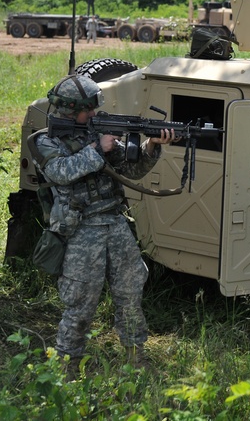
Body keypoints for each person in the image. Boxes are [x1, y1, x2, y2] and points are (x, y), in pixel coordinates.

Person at [34, 74, 176, 371]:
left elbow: (132, 171)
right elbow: (60, 172)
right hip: (81, 228)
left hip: (114, 222)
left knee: (130, 293)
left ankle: (135, 359)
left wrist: (151, 146)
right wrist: (99, 149)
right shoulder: (46, 140)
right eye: (89, 109)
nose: (95, 113)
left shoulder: (94, 131)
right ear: (71, 111)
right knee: (81, 302)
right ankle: (66, 367)